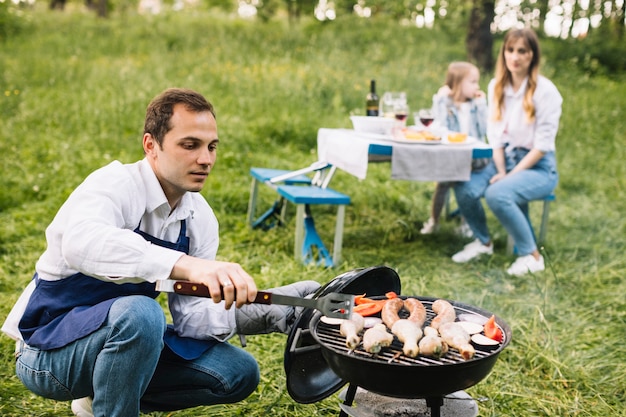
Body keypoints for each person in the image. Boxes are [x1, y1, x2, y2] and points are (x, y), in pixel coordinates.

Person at [1, 88, 320, 417]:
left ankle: (101, 395)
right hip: (45, 350)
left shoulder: (199, 218)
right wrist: (184, 264)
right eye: (190, 145)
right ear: (151, 145)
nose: (206, 159)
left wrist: (271, 309)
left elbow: (193, 317)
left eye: (211, 147)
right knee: (142, 315)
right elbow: (81, 242)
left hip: (114, 338)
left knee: (237, 372)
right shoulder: (114, 185)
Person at [450, 28, 562, 276]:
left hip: (539, 167)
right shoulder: (496, 86)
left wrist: (509, 176)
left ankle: (532, 255)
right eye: (510, 50)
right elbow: (496, 135)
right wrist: (501, 169)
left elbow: (542, 146)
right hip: (505, 158)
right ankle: (483, 242)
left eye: (522, 51)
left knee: (497, 193)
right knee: (463, 184)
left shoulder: (546, 91)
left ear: (532, 55)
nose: (515, 57)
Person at [420, 61, 488, 237]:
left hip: (472, 157)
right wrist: (440, 99)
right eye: (472, 82)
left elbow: (484, 130)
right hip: (450, 155)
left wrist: (482, 105)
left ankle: (467, 224)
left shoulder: (475, 105)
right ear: (457, 84)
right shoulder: (446, 104)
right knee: (442, 186)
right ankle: (434, 221)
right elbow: (439, 125)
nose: (477, 86)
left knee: (465, 185)